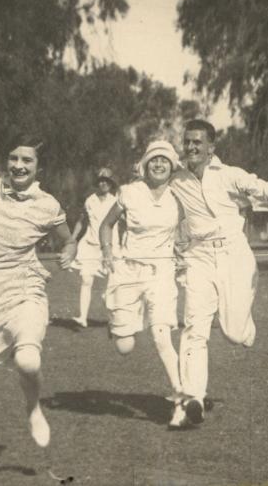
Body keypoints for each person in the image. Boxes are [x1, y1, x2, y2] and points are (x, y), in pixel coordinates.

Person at [168, 119, 268, 427]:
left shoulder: (229, 175)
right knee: (194, 327)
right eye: (188, 142)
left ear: (211, 147)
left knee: (234, 333)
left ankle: (244, 328)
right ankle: (193, 399)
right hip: (197, 258)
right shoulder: (176, 179)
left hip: (234, 256)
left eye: (198, 142)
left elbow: (264, 189)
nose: (192, 147)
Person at [0, 137, 76, 476]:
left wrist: (70, 250)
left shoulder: (48, 205)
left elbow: (68, 238)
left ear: (39, 169)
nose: (19, 165)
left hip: (25, 288)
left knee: (28, 358)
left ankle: (33, 407)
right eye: (13, 158)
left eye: (27, 161)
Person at [99, 140, 188, 428]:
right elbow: (106, 225)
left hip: (161, 271)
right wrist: (107, 253)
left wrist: (183, 247)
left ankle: (181, 401)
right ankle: (121, 323)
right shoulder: (129, 192)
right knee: (124, 346)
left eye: (164, 161)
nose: (159, 165)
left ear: (172, 166)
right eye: (154, 161)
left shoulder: (179, 195)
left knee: (162, 336)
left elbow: (188, 227)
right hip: (128, 271)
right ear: (145, 165)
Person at [68, 167, 118, 327]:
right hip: (90, 245)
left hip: (110, 246)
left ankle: (113, 319)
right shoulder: (90, 200)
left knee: (111, 285)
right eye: (101, 181)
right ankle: (82, 317)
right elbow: (81, 221)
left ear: (111, 184)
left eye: (107, 181)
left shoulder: (116, 201)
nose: (103, 184)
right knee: (86, 280)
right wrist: (72, 239)